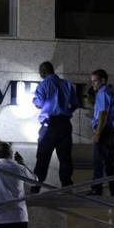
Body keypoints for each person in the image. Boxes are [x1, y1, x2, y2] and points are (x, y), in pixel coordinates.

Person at [31, 61, 78, 193]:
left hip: (49, 125)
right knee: (65, 157)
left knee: (43, 157)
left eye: (40, 72)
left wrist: (34, 101)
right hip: (64, 124)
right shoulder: (67, 84)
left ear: (44, 72)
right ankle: (67, 186)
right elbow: (74, 104)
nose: (40, 75)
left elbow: (39, 104)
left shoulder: (43, 85)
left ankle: (36, 186)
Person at [88, 69, 114, 196]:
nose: (93, 84)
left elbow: (103, 114)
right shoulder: (109, 92)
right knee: (110, 164)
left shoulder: (103, 93)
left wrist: (97, 133)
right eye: (92, 82)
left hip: (104, 131)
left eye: (95, 81)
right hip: (111, 132)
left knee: (99, 162)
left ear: (103, 80)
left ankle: (96, 190)